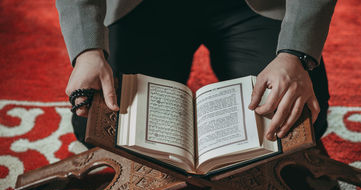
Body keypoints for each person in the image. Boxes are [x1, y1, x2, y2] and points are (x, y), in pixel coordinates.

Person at [56, 0, 336, 147]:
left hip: (249, 5)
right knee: (98, 125)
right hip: (146, 6)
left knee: (298, 124)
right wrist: (88, 51)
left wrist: (295, 53)